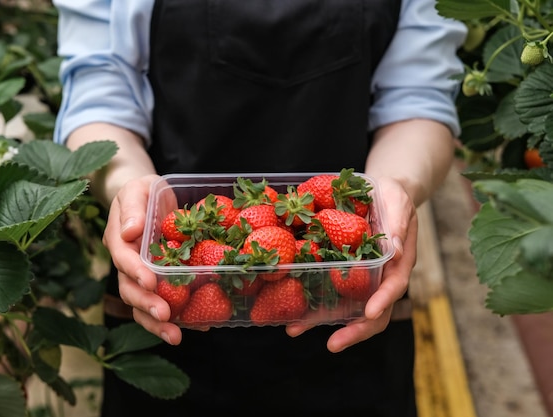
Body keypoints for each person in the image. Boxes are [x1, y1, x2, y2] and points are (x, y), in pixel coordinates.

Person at [52, 1, 466, 416]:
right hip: (171, 280)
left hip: (349, 289)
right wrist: (131, 193)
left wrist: (390, 191)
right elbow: (98, 94)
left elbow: (418, 100)